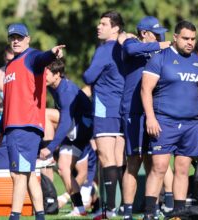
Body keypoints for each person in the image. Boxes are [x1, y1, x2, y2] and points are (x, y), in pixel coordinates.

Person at [141, 20, 198, 220]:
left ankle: (178, 214)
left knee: (182, 169)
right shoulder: (160, 59)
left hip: (191, 125)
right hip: (164, 122)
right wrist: (150, 117)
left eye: (193, 39)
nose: (190, 42)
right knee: (159, 168)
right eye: (185, 38)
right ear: (175, 37)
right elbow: (145, 90)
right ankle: (149, 213)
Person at [0, 23, 65, 220]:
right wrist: (0, 129)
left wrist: (52, 53)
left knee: (18, 175)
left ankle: (14, 216)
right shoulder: (10, 66)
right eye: (12, 37)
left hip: (24, 126)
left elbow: (43, 58)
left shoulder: (31, 57)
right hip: (13, 127)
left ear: (27, 39)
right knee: (29, 173)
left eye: (19, 37)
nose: (15, 41)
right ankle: (40, 215)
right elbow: (8, 102)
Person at [117, 16, 174, 219]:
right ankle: (127, 212)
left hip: (157, 113)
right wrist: (163, 44)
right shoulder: (132, 44)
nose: (162, 36)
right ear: (144, 33)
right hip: (134, 112)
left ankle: (153, 210)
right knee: (134, 160)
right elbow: (130, 49)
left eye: (162, 33)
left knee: (155, 161)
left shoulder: (160, 52)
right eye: (157, 33)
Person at [82, 10, 125, 217]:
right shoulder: (125, 47)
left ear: (115, 28)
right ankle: (124, 207)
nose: (99, 27)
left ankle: (109, 210)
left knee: (106, 158)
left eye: (104, 24)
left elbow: (88, 76)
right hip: (122, 109)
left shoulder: (105, 48)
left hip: (105, 107)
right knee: (119, 160)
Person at [39, 59, 93, 216]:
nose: (44, 76)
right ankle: (80, 209)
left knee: (45, 114)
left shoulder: (66, 91)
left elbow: (65, 122)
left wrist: (50, 147)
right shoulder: (53, 85)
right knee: (63, 169)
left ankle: (48, 151)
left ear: (57, 75)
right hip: (75, 129)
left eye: (46, 73)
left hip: (81, 128)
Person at [0, 45, 15, 125]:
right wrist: (3, 102)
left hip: (21, 118)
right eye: (8, 60)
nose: (11, 63)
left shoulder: (24, 73)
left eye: (13, 60)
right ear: (4, 57)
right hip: (2, 118)